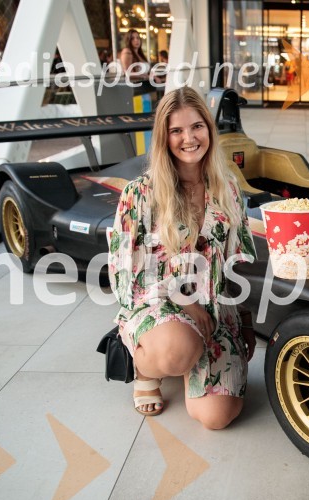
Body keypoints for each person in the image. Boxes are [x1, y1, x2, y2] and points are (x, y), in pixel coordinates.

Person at [107, 87, 257, 426]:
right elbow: (126, 275)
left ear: (209, 129)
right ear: (164, 137)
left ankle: (187, 355)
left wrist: (244, 320)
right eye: (176, 130)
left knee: (216, 418)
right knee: (176, 351)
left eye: (197, 127)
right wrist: (184, 300)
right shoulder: (140, 194)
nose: (189, 138)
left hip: (215, 308)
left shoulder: (228, 189)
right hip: (159, 300)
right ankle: (147, 367)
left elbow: (238, 261)